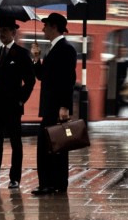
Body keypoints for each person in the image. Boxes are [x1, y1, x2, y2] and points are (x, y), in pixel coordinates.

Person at [0, 17, 35, 189]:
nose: (1, 33)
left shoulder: (21, 53)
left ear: (13, 32)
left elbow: (30, 81)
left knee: (15, 144)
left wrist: (21, 100)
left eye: (5, 30)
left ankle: (15, 179)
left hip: (13, 107)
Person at [30, 12, 77, 195]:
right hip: (50, 107)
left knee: (56, 146)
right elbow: (42, 76)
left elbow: (68, 79)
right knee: (49, 146)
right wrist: (36, 59)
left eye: (45, 25)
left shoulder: (66, 49)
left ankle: (53, 184)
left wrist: (65, 106)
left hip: (57, 108)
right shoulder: (53, 50)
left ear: (54, 27)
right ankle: (50, 183)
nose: (42, 29)